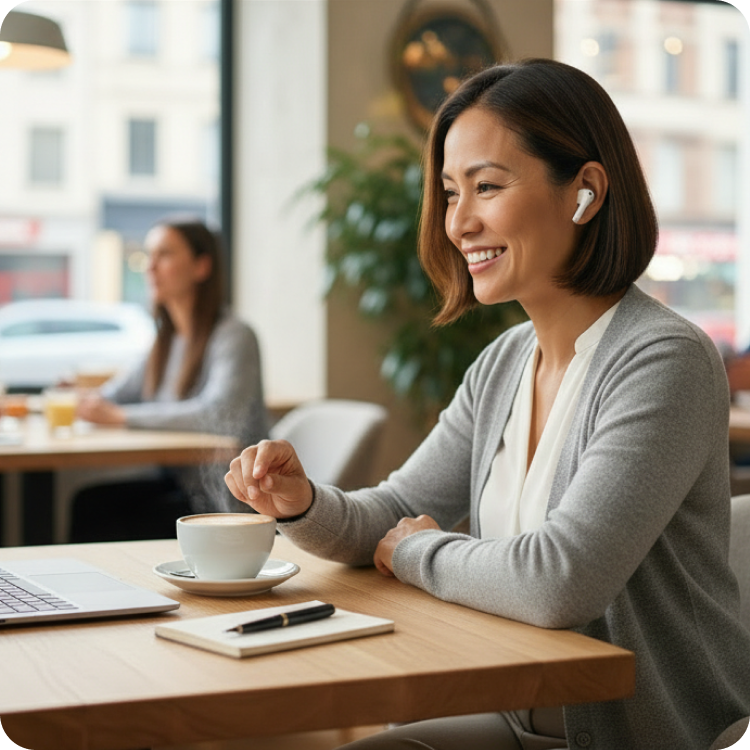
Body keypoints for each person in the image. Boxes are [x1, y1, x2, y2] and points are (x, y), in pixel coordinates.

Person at [225, 59, 750, 750]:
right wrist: (300, 503)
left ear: (585, 193)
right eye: (449, 193)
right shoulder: (503, 363)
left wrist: (418, 553)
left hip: (634, 732)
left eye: (487, 187)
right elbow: (388, 514)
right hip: (516, 714)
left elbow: (559, 581)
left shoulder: (664, 360)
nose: (459, 222)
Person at [70, 217, 268, 542]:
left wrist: (120, 417)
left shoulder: (234, 336)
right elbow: (115, 395)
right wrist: (82, 398)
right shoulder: (168, 341)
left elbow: (219, 413)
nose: (150, 267)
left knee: (103, 514)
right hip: (182, 485)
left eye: (164, 254)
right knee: (89, 503)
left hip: (224, 498)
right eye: (149, 255)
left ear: (201, 266)